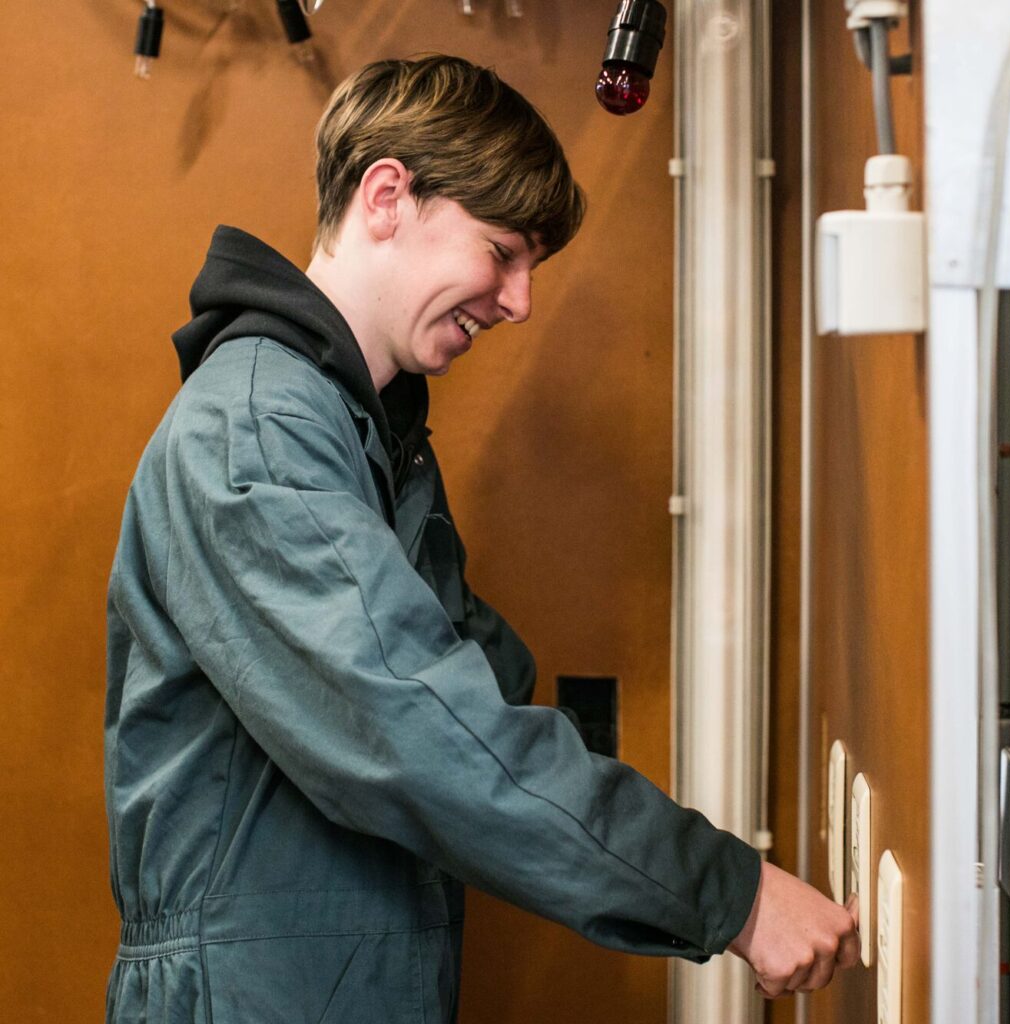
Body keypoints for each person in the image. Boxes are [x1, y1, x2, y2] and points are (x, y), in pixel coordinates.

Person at [104, 54, 858, 1024]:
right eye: (501, 251)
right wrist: (732, 892)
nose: (518, 300)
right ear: (387, 195)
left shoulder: (367, 433)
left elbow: (469, 690)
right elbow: (417, 729)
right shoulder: (259, 427)